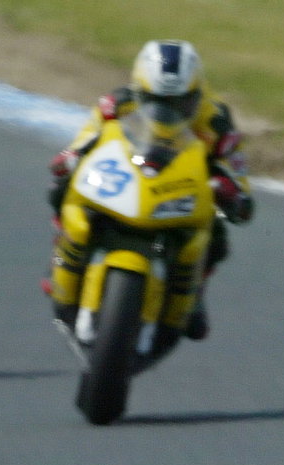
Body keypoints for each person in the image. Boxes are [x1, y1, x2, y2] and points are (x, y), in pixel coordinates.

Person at [43, 39, 254, 340]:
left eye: (179, 103)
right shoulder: (117, 102)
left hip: (185, 187)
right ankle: (61, 254)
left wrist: (236, 192)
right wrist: (71, 156)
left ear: (195, 94)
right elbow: (87, 137)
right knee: (62, 187)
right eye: (155, 101)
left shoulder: (217, 121)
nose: (167, 111)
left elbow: (236, 168)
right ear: (140, 90)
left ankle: (194, 296)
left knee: (217, 235)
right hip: (131, 173)